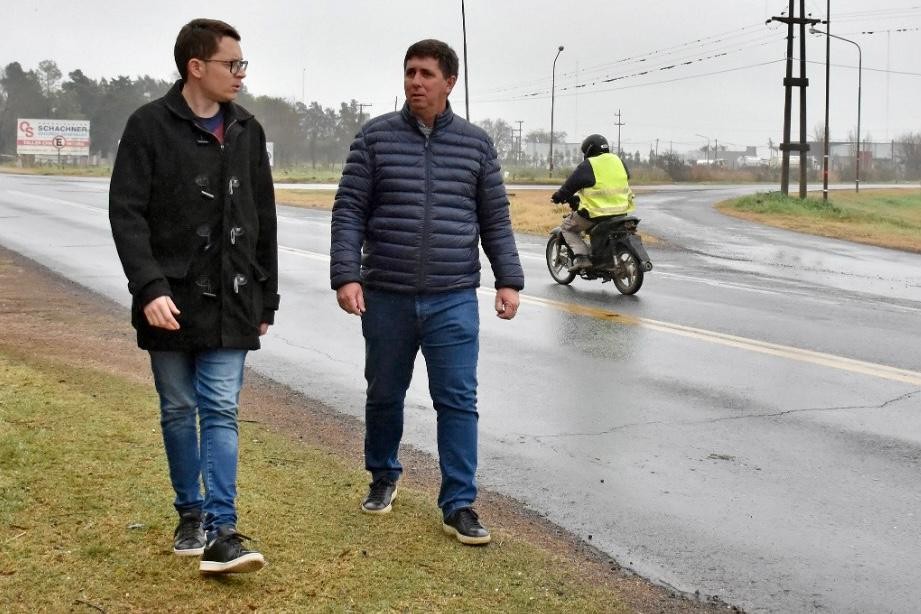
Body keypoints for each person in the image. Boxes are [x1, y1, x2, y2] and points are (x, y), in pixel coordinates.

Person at [330, 39, 524, 546]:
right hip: (386, 294)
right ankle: (383, 475)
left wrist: (508, 279)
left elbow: (495, 220)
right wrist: (346, 274)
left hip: (452, 296)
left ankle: (459, 503)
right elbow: (349, 211)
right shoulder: (374, 139)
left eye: (426, 74)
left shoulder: (476, 145)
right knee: (384, 393)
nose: (415, 82)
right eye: (410, 72)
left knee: (457, 399)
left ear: (449, 82)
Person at [108, 18, 278, 575]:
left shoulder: (247, 129)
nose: (241, 74)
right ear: (196, 67)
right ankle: (190, 514)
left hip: (234, 299)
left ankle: (224, 529)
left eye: (242, 63)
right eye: (232, 63)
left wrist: (266, 298)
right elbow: (127, 214)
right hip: (170, 301)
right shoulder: (147, 125)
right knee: (179, 409)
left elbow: (263, 217)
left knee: (221, 408)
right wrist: (148, 288)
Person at [551, 134, 635, 271]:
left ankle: (582, 258)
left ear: (589, 149)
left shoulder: (588, 165)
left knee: (567, 227)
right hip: (621, 213)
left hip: (596, 214)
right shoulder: (618, 161)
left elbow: (570, 186)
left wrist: (558, 197)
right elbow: (624, 178)